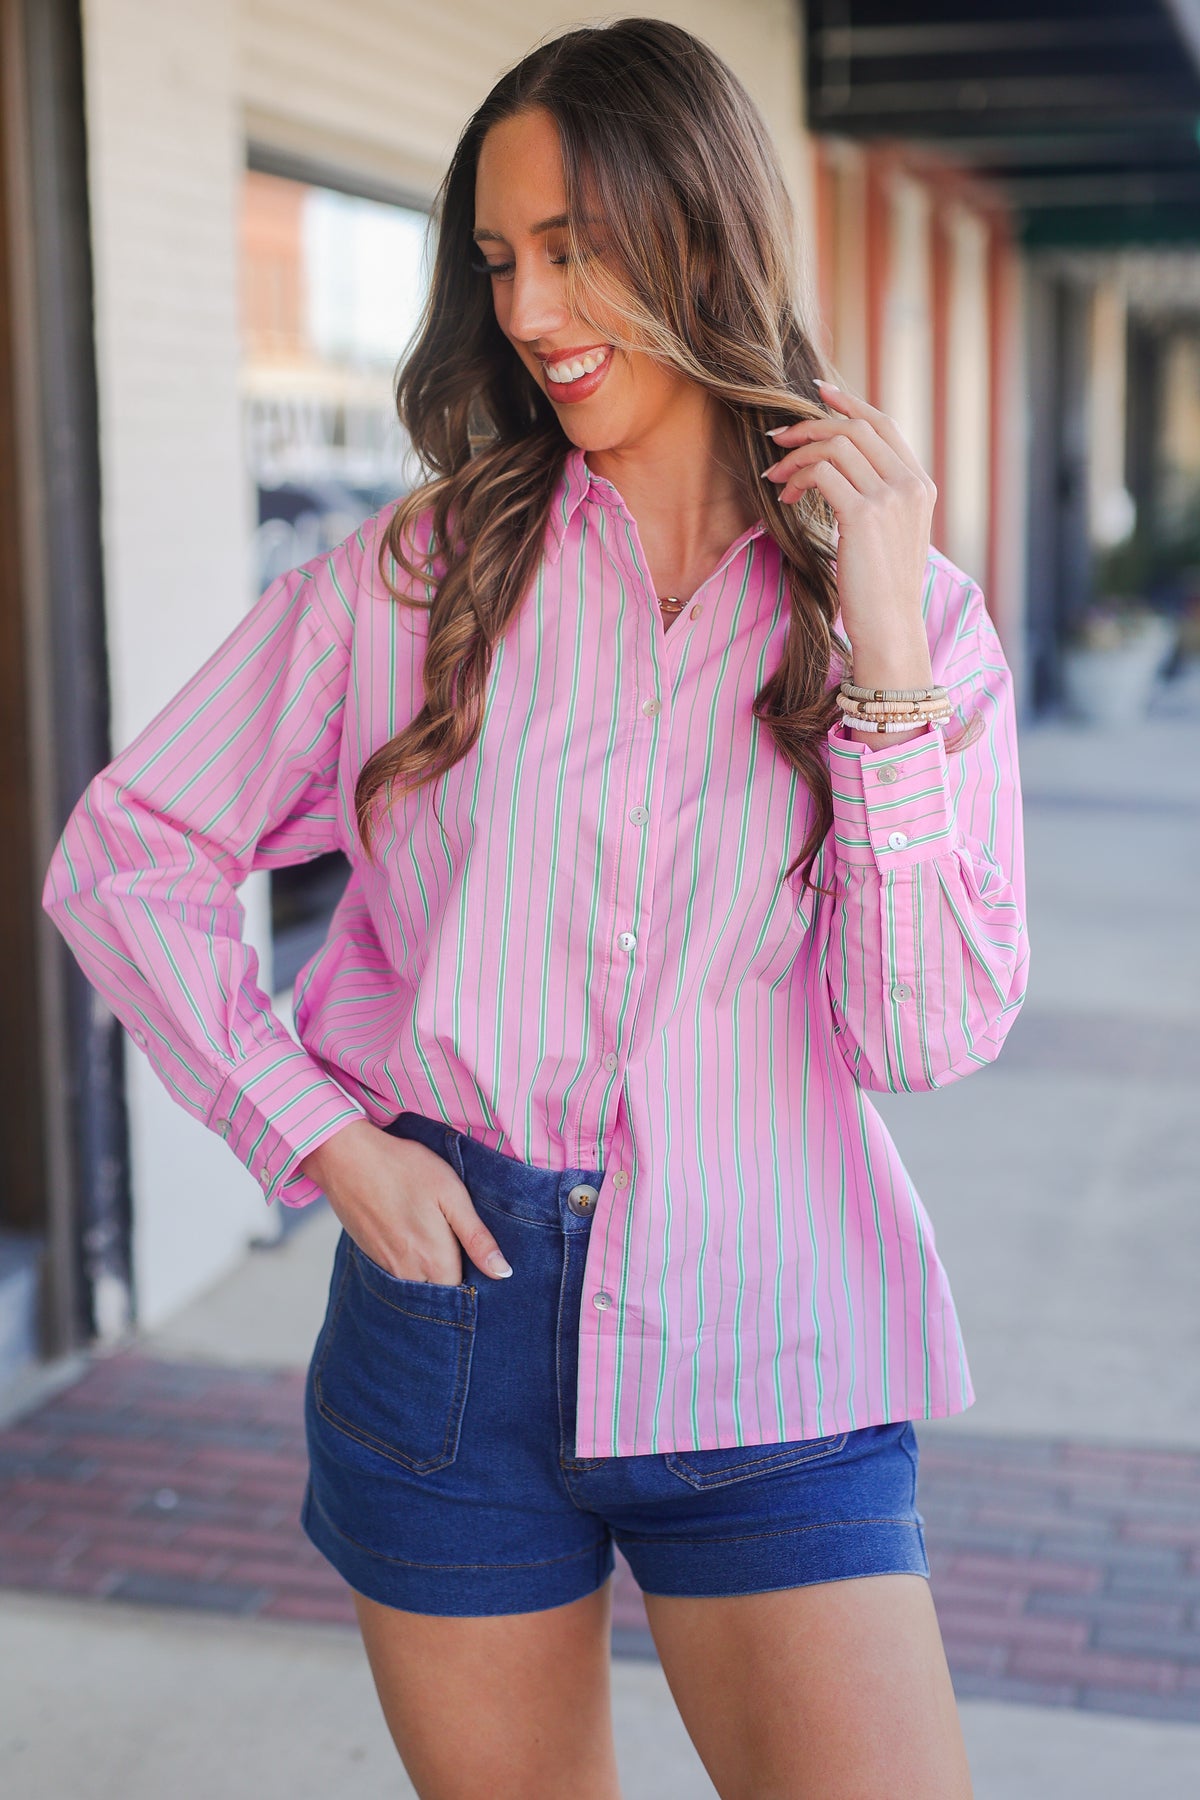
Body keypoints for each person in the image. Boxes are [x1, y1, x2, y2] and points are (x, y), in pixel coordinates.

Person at [43, 18, 1028, 1799]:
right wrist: (320, 1136)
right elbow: (130, 853)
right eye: (501, 260)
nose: (530, 309)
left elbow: (922, 1033)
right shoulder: (418, 579)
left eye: (574, 248)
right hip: (451, 1313)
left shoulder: (913, 617)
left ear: (705, 233)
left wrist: (879, 652)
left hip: (769, 1323)